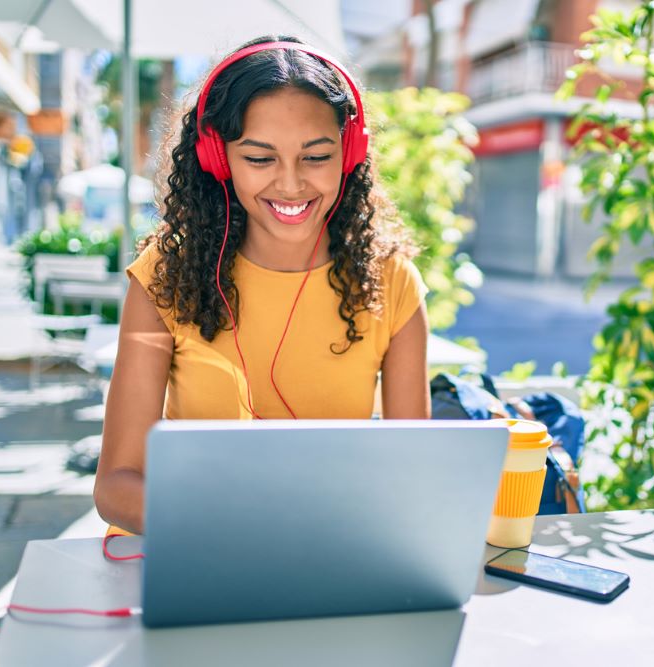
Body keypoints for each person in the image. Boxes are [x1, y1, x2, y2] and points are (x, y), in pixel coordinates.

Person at [94, 36, 431, 537]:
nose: (291, 185)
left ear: (349, 153)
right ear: (218, 157)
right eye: (260, 158)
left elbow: (414, 472)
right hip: (186, 547)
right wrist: (243, 526)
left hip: (322, 550)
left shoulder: (391, 281)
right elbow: (118, 485)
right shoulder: (165, 275)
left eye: (316, 157)